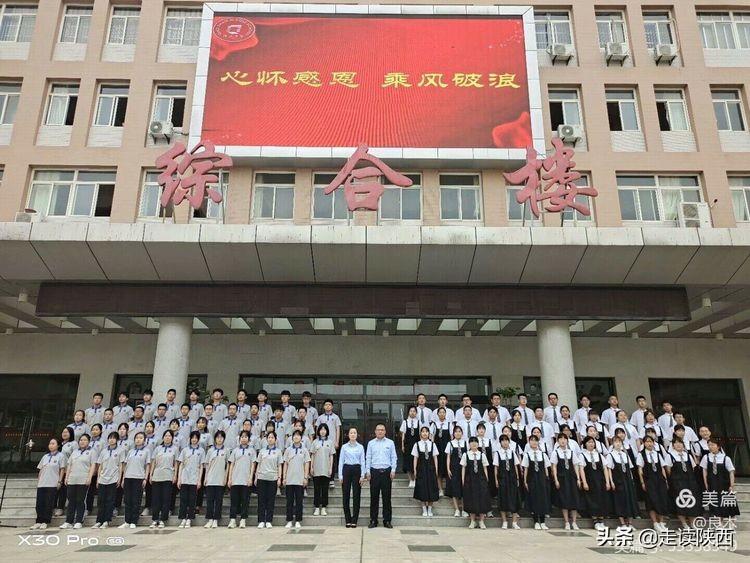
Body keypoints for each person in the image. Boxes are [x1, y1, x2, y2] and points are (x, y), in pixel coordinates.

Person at [365, 423, 397, 528]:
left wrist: (393, 470)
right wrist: (367, 471)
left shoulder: (390, 443)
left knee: (386, 498)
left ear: (385, 432)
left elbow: (394, 457)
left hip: (386, 472)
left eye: (382, 430)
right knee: (374, 498)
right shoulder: (371, 443)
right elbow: (368, 458)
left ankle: (387, 520)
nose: (380, 431)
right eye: (378, 430)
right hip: (374, 472)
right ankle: (373, 520)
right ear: (375, 431)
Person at [60, 434, 95, 530]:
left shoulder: (92, 452)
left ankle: (79, 521)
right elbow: (69, 465)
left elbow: (93, 465)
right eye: (81, 440)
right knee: (71, 501)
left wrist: (89, 477)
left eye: (85, 440)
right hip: (72, 479)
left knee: (80, 500)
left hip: (83, 479)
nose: (82, 442)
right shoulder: (75, 452)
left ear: (89, 442)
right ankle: (68, 521)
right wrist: (66, 477)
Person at [701, 438, 740, 524]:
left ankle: (732, 523)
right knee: (716, 505)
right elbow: (704, 471)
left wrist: (732, 485)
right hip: (713, 484)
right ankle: (720, 524)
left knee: (729, 504)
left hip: (724, 484)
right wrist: (706, 483)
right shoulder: (706, 457)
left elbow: (731, 472)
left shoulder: (725, 458)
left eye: (712, 445)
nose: (710, 447)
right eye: (709, 445)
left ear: (718, 446)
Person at [666, 438, 701, 529]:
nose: (678, 445)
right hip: (677, 483)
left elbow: (693, 468)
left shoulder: (688, 455)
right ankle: (684, 523)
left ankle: (692, 522)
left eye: (680, 443)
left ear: (683, 445)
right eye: (676, 443)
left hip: (690, 482)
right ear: (673, 445)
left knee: (691, 502)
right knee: (680, 502)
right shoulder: (670, 456)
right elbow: (668, 470)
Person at [637, 435, 671, 531]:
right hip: (649, 480)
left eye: (651, 441)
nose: (649, 443)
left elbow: (662, 468)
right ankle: (655, 523)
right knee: (651, 501)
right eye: (647, 442)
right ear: (644, 443)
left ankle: (661, 522)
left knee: (662, 500)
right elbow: (640, 469)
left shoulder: (657, 454)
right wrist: (642, 482)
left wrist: (665, 480)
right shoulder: (641, 455)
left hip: (660, 479)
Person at [119, 431, 151, 529]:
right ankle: (127, 521)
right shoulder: (131, 451)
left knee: (136, 500)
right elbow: (126, 465)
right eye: (137, 438)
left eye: (141, 438)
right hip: (128, 477)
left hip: (139, 477)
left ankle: (134, 521)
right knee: (127, 500)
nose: (138, 440)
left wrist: (145, 478)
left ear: (144, 440)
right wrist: (123, 478)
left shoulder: (146, 451)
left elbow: (147, 465)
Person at [550, 433, 582, 530]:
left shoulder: (571, 452)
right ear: (557, 441)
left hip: (572, 478)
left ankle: (574, 522)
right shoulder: (555, 452)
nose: (563, 440)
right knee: (564, 500)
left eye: (564, 439)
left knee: (574, 499)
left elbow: (576, 465)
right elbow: (554, 467)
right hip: (562, 478)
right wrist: (556, 479)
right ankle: (567, 522)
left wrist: (578, 478)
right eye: (560, 439)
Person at [32, 438, 65, 530]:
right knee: (39, 503)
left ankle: (45, 521)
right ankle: (38, 521)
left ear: (58, 445)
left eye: (53, 443)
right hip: (42, 483)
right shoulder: (45, 456)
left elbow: (62, 469)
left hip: (52, 483)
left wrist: (60, 481)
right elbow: (41, 469)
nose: (51, 445)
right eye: (50, 443)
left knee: (48, 503)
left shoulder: (61, 456)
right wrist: (39, 481)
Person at [93, 432, 124, 529]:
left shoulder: (120, 450)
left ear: (117, 440)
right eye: (110, 438)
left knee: (110, 500)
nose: (111, 440)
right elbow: (100, 465)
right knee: (101, 501)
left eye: (114, 438)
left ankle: (106, 520)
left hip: (113, 478)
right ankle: (99, 521)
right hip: (102, 478)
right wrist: (98, 478)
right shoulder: (103, 451)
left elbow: (121, 466)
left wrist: (119, 478)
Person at [607, 435, 639, 528]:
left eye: (619, 442)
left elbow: (630, 468)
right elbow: (609, 469)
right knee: (620, 501)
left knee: (630, 500)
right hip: (618, 481)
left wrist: (631, 480)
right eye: (616, 442)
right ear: (613, 444)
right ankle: (623, 523)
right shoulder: (610, 455)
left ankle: (630, 523)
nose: (618, 443)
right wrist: (611, 481)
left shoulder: (625, 455)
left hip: (627, 480)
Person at [149, 429, 179, 529]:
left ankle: (163, 519)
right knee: (156, 499)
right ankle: (155, 519)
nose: (167, 437)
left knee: (166, 499)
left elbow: (176, 463)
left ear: (172, 438)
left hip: (168, 475)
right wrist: (151, 474)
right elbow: (153, 462)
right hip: (157, 475)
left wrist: (175, 475)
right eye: (166, 436)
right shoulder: (158, 448)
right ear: (163, 437)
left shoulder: (175, 449)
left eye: (169, 436)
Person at [227, 430, 256, 529]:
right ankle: (232, 519)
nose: (243, 438)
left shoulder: (252, 451)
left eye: (245, 437)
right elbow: (231, 465)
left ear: (249, 439)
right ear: (239, 439)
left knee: (245, 501)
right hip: (235, 479)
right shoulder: (235, 450)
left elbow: (253, 465)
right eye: (242, 437)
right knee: (234, 501)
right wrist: (230, 479)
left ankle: (243, 519)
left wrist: (250, 478)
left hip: (246, 480)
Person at [579, 436, 609, 530]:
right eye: (589, 442)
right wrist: (584, 482)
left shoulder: (599, 455)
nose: (591, 444)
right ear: (585, 444)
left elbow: (605, 468)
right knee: (592, 500)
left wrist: (607, 482)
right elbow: (581, 469)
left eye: (592, 442)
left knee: (601, 499)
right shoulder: (582, 455)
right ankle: (595, 521)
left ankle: (601, 520)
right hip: (590, 481)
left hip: (600, 481)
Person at [460, 436, 491, 529]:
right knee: (471, 500)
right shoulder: (466, 454)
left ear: (478, 444)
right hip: (470, 481)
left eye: (475, 442)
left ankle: (481, 521)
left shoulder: (482, 455)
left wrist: (486, 480)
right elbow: (463, 468)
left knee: (482, 500)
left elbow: (485, 468)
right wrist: (463, 480)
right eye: (472, 442)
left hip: (481, 480)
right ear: (469, 444)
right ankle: (472, 521)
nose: (474, 443)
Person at [521, 435, 551, 530]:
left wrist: (547, 479)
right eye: (532, 440)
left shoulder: (543, 455)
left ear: (538, 442)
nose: (534, 442)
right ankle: (536, 522)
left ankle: (542, 521)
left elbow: (546, 468)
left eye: (535, 440)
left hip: (542, 480)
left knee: (542, 500)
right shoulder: (527, 455)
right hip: (532, 480)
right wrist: (525, 481)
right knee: (533, 499)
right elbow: (526, 469)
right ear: (529, 442)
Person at [255, 430, 283, 528]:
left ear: (275, 439)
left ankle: (269, 520)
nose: (270, 439)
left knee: (271, 500)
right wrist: (256, 477)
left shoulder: (278, 452)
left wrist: (279, 478)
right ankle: (261, 520)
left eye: (272, 437)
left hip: (273, 478)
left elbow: (279, 465)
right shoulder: (262, 451)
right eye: (269, 437)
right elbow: (259, 464)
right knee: (261, 500)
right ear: (266, 439)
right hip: (262, 477)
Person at [177, 430, 205, 528]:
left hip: (194, 478)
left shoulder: (201, 451)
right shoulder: (185, 450)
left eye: (196, 438)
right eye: (192, 438)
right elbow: (181, 464)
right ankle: (183, 518)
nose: (194, 439)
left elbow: (201, 466)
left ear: (198, 439)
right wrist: (179, 479)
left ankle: (189, 519)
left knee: (192, 500)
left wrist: (199, 480)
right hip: (184, 477)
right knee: (183, 499)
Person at [338, 427, 365, 528]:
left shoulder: (360, 447)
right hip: (346, 469)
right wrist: (340, 475)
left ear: (357, 435)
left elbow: (363, 461)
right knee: (346, 495)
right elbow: (341, 461)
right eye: (351, 433)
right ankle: (348, 519)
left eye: (354, 433)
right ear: (348, 435)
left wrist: (362, 475)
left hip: (357, 469)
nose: (353, 434)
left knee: (356, 495)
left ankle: (354, 520)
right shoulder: (344, 447)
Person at [283, 430, 309, 529]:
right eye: (294, 436)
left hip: (300, 480)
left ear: (301, 438)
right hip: (289, 479)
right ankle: (289, 520)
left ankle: (298, 520)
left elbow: (306, 464)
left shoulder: (305, 450)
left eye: (298, 435)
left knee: (299, 501)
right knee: (289, 501)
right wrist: (284, 477)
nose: (296, 437)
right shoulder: (288, 450)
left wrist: (305, 477)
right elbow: (285, 464)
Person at [494, 434, 521, 529]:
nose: (505, 442)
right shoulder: (497, 453)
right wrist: (496, 480)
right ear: (500, 442)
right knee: (503, 499)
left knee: (514, 499)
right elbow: (496, 468)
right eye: (503, 440)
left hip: (512, 478)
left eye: (506, 440)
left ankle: (514, 522)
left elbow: (516, 467)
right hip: (502, 479)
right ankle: (504, 521)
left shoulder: (512, 453)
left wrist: (517, 478)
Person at [412, 426, 439, 517]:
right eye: (423, 431)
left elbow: (435, 458)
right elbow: (415, 458)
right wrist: (415, 469)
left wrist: (436, 469)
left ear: (429, 434)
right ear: (420, 433)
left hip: (431, 469)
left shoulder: (433, 444)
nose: (425, 433)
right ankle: (424, 509)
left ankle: (430, 509)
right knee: (422, 489)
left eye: (426, 432)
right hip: (421, 469)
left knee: (431, 488)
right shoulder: (417, 444)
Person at [203, 430, 228, 529]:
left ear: (224, 439)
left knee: (218, 500)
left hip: (220, 479)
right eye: (217, 437)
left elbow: (228, 466)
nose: (219, 439)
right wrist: (206, 478)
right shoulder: (210, 451)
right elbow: (207, 465)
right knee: (210, 500)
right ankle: (210, 519)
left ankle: (216, 519)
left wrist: (225, 478)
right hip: (210, 479)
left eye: (221, 437)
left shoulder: (226, 451)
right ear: (215, 439)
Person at [310, 423, 335, 515]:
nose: (323, 431)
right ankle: (317, 507)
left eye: (324, 429)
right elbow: (312, 455)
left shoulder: (330, 442)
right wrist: (311, 467)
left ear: (327, 431)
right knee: (316, 489)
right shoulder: (315, 442)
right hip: (316, 469)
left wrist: (330, 468)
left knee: (325, 489)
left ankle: (324, 507)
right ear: (318, 431)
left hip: (326, 469)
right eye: (321, 429)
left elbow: (331, 456)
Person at [444, 425, 466, 517]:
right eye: (456, 431)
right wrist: (448, 469)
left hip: (464, 469)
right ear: (453, 433)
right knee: (454, 489)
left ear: (462, 433)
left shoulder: (465, 442)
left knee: (464, 489)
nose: (458, 433)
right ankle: (457, 509)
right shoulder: (450, 443)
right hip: (454, 469)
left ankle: (464, 509)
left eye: (459, 431)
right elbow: (448, 457)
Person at [430, 406, 452, 494]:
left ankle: (448, 489)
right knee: (438, 469)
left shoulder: (449, 424)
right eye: (440, 412)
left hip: (447, 450)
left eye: (443, 412)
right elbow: (432, 437)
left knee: (447, 469)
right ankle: (440, 489)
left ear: (445, 414)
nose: (442, 414)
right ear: (437, 414)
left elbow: (451, 437)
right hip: (438, 449)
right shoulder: (434, 424)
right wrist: (432, 448)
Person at [399, 406, 420, 487]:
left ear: (416, 413)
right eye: (411, 411)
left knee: (416, 463)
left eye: (414, 411)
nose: (412, 412)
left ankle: (415, 479)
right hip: (408, 446)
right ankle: (410, 480)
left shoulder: (419, 422)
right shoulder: (405, 422)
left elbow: (420, 435)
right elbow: (403, 435)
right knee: (407, 463)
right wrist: (402, 445)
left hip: (416, 446)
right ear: (408, 412)